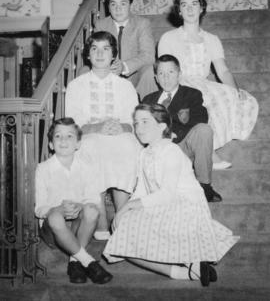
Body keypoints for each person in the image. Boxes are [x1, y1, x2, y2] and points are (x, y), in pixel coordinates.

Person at [103, 104, 239, 286]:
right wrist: (123, 213)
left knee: (126, 231)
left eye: (145, 122)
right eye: (136, 123)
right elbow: (142, 190)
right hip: (164, 205)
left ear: (162, 126)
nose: (139, 128)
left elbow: (168, 194)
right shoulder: (145, 153)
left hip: (184, 208)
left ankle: (190, 263)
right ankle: (188, 271)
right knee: (121, 232)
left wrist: (127, 207)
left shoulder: (171, 150)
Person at [158, 0, 259, 169]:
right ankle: (207, 153)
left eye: (194, 4)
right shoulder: (168, 37)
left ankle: (206, 147)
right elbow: (165, 71)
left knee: (237, 97)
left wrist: (234, 91)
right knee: (198, 99)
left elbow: (223, 71)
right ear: (179, 10)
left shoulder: (212, 39)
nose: (189, 9)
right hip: (178, 82)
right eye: (184, 5)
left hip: (202, 82)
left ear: (202, 8)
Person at [65, 31, 141, 239]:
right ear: (88, 55)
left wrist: (123, 127)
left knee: (126, 147)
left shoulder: (125, 86)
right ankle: (101, 222)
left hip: (119, 135)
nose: (100, 54)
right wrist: (96, 128)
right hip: (89, 136)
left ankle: (122, 217)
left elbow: (134, 120)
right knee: (91, 149)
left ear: (113, 55)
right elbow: (72, 123)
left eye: (105, 48)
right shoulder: (75, 86)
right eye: (94, 49)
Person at [35, 118, 112, 284]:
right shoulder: (43, 169)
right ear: (50, 144)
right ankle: (88, 261)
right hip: (54, 231)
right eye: (58, 136)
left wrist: (80, 205)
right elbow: (39, 208)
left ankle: (74, 263)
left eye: (69, 136)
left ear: (78, 144)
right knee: (55, 216)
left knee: (91, 209)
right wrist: (56, 209)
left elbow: (92, 198)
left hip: (79, 229)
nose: (63, 140)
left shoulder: (86, 167)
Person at [143, 54, 221, 202]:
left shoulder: (192, 94)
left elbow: (200, 118)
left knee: (204, 130)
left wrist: (172, 132)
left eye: (171, 72)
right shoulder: (148, 99)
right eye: (161, 73)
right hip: (158, 149)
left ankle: (205, 185)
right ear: (156, 78)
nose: (166, 77)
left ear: (179, 73)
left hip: (182, 144)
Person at [80, 0, 157, 99]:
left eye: (123, 4)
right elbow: (94, 53)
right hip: (107, 76)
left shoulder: (142, 24)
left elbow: (149, 56)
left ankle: (147, 111)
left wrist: (124, 66)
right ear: (108, 7)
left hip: (136, 78)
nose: (118, 9)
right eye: (113, 4)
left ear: (130, 5)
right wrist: (108, 67)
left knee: (150, 71)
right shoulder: (101, 25)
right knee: (84, 71)